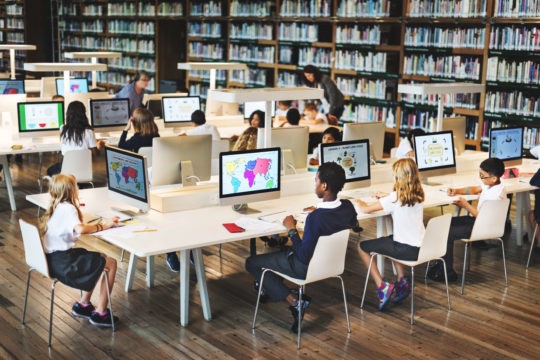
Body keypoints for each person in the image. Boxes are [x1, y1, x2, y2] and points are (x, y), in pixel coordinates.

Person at [245, 162, 357, 333]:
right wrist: (319, 210)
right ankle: (272, 288)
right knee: (278, 255)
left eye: (316, 181)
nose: (315, 184)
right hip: (333, 264)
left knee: (252, 262)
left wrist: (291, 229)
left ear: (324, 186)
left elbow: (303, 255)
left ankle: (295, 301)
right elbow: (351, 222)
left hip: (306, 267)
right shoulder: (348, 207)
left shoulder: (316, 218)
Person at [40, 174, 119, 327]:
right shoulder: (69, 208)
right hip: (64, 265)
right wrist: (104, 225)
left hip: (53, 261)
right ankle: (101, 313)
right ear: (72, 191)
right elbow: (80, 229)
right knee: (111, 263)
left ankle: (83, 305)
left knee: (98, 257)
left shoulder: (57, 207)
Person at [356, 158, 425, 310]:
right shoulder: (419, 194)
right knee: (392, 239)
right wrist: (387, 196)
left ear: (398, 178)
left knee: (361, 246)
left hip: (405, 250)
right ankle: (401, 280)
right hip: (422, 248)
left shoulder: (394, 198)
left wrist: (359, 202)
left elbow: (366, 210)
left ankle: (382, 286)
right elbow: (399, 200)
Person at [427, 157, 506, 282]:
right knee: (443, 224)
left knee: (447, 233)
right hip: (478, 222)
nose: (480, 178)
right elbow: (475, 189)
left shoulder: (496, 195)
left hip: (483, 227)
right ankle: (440, 264)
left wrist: (466, 206)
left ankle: (447, 273)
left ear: (493, 178)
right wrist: (457, 191)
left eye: (482, 176)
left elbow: (484, 218)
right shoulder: (492, 184)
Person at [46, 101, 104, 176]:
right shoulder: (89, 131)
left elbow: (65, 142)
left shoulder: (63, 128)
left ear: (68, 114)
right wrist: (99, 145)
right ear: (84, 114)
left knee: (50, 170)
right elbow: (96, 153)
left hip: (65, 169)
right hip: (84, 169)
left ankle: (63, 185)